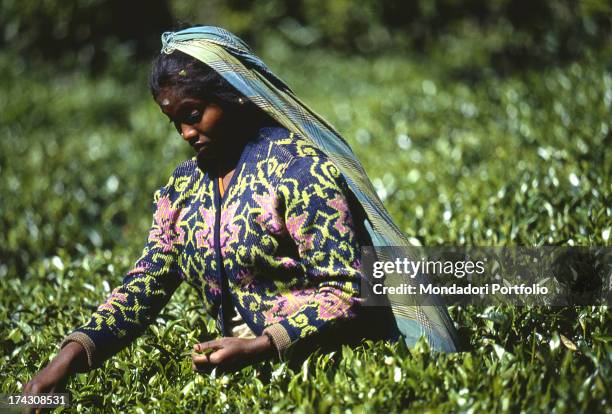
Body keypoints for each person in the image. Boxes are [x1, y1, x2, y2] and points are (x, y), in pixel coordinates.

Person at [23, 26, 459, 398]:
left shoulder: (299, 170)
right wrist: (67, 360)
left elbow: (346, 291)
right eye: (174, 121)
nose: (186, 133)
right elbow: (146, 283)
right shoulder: (183, 188)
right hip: (237, 377)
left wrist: (262, 346)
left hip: (322, 373)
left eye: (194, 115)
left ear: (234, 97)